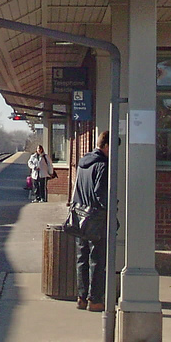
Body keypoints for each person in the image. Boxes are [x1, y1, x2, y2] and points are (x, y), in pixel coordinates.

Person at [73, 130, 110, 311]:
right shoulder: (103, 165)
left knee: (82, 257)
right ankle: (95, 299)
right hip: (95, 216)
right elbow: (100, 192)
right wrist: (110, 208)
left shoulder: (83, 163)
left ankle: (81, 297)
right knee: (97, 258)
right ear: (106, 146)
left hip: (79, 214)